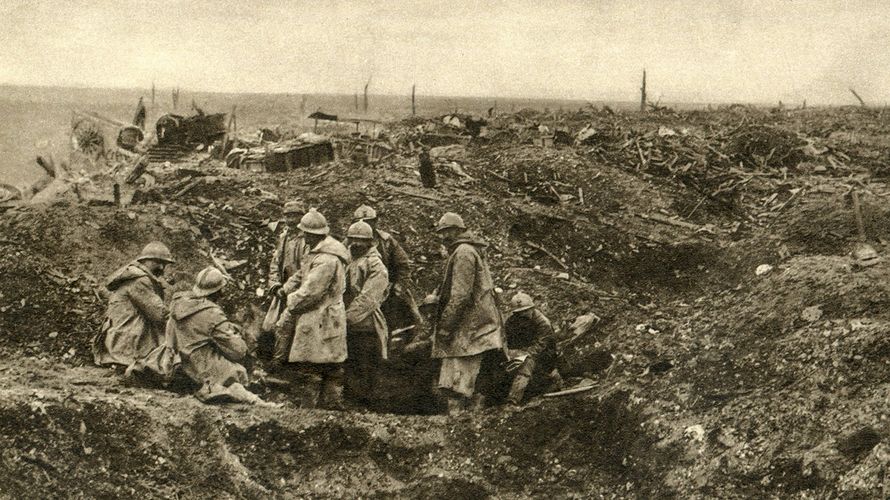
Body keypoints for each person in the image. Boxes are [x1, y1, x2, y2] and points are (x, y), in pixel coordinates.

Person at [430, 212, 505, 414]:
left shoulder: (463, 253)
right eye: (442, 233)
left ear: (459, 231)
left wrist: (446, 327)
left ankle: (461, 425)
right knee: (469, 379)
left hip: (469, 325)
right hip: (477, 322)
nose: (444, 237)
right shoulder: (467, 250)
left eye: (448, 232)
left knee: (458, 380)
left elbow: (460, 296)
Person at [279, 209, 350, 410]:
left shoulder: (327, 258)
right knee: (324, 361)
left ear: (314, 234)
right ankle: (325, 408)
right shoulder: (316, 252)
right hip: (320, 314)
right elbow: (302, 275)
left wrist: (291, 303)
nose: (303, 237)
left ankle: (319, 410)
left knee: (317, 365)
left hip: (322, 315)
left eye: (306, 234)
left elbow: (312, 291)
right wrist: (284, 289)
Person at [166, 267, 269, 405]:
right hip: (202, 365)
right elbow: (238, 351)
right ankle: (257, 400)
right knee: (236, 371)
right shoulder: (212, 313)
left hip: (178, 361)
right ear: (218, 292)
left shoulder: (178, 304)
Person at [93, 241, 174, 367]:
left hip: (118, 341)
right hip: (126, 346)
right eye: (158, 263)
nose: (162, 268)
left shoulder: (134, 277)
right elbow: (159, 314)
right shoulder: (140, 281)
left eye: (164, 264)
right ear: (145, 261)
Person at [352, 205, 423, 333]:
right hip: (358, 289)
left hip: (386, 290)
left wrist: (400, 285)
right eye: (359, 222)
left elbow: (402, 264)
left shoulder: (386, 240)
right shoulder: (350, 242)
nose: (364, 226)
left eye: (368, 222)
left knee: (397, 320)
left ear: (374, 222)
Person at [343, 221, 390, 404]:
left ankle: (364, 406)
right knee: (347, 365)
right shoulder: (348, 258)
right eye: (353, 239)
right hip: (345, 322)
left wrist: (346, 319)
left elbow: (368, 299)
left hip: (365, 325)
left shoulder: (376, 266)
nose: (356, 244)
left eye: (361, 240)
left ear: (370, 242)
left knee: (364, 366)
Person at [266, 200, 310, 368]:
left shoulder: (307, 238)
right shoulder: (284, 237)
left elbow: (306, 268)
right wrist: (275, 284)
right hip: (284, 289)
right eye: (288, 216)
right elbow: (275, 263)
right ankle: (281, 360)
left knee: (299, 327)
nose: (291, 220)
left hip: (302, 289)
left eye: (295, 216)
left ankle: (293, 362)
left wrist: (287, 289)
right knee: (278, 325)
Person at [502, 292, 562, 405]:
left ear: (532, 308)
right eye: (519, 312)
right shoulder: (512, 321)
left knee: (527, 363)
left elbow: (541, 346)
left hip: (544, 354)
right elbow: (506, 339)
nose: (523, 314)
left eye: (526, 310)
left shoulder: (543, 323)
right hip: (523, 351)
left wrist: (524, 354)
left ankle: (513, 399)